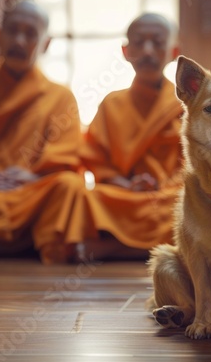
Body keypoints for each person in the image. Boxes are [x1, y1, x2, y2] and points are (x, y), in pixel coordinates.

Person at [0, 0, 87, 264]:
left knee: (68, 187)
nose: (20, 41)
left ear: (45, 44)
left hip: (30, 194)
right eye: (13, 31)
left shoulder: (60, 97)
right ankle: (21, 241)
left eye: (30, 34)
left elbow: (65, 163)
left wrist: (29, 177)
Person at [80, 13, 183, 259]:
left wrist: (164, 187)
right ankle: (165, 250)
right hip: (125, 195)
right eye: (139, 42)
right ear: (126, 51)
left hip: (170, 195)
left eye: (157, 42)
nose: (148, 51)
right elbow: (96, 160)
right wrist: (126, 185)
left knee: (196, 205)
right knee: (82, 197)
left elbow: (199, 163)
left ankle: (116, 249)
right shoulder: (111, 104)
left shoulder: (186, 104)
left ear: (173, 51)